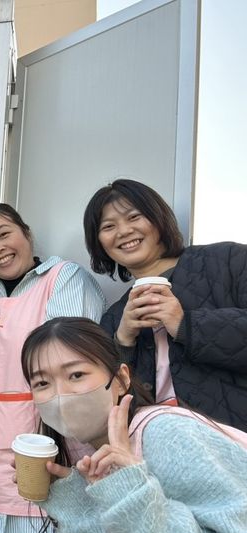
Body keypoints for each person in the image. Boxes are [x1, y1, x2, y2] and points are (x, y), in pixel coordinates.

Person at [21, 317, 247, 533]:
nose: (60, 395)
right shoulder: (81, 454)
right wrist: (74, 503)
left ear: (120, 380)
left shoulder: (167, 435)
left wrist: (131, 490)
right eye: (42, 383)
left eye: (76, 375)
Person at [0, 202, 105, 533]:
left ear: (27, 233)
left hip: (46, 448)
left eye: (4, 234)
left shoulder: (64, 278)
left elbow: (70, 361)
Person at [83, 179, 247, 430]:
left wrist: (185, 325)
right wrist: (123, 342)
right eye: (108, 226)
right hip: (156, 446)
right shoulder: (114, 317)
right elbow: (105, 401)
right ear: (99, 243)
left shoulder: (228, 261)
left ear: (158, 218)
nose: (123, 231)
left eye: (134, 217)